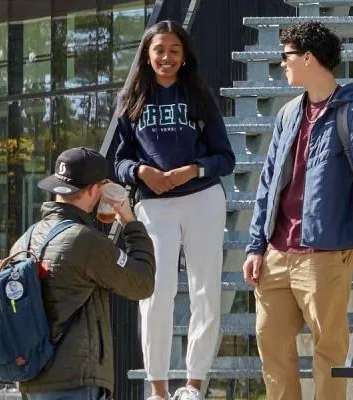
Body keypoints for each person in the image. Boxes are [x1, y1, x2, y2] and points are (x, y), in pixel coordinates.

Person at [240, 21, 353, 400]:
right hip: (277, 252)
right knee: (271, 346)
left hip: (324, 255)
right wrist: (256, 244)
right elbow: (268, 182)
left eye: (286, 56)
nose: (282, 64)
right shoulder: (288, 113)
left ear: (308, 58)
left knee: (328, 351)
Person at [112, 20, 233, 400]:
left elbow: (225, 158)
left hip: (202, 200)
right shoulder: (130, 100)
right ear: (147, 56)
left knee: (205, 292)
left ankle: (193, 384)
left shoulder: (199, 97)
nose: (166, 57)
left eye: (174, 51)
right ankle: (159, 389)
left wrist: (193, 170)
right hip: (154, 207)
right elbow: (117, 161)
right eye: (159, 50)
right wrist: (140, 170)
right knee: (156, 293)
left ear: (184, 57)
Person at [17, 147, 157, 400]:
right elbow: (142, 283)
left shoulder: (25, 240)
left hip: (31, 379)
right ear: (95, 190)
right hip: (76, 383)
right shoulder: (86, 242)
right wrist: (130, 223)